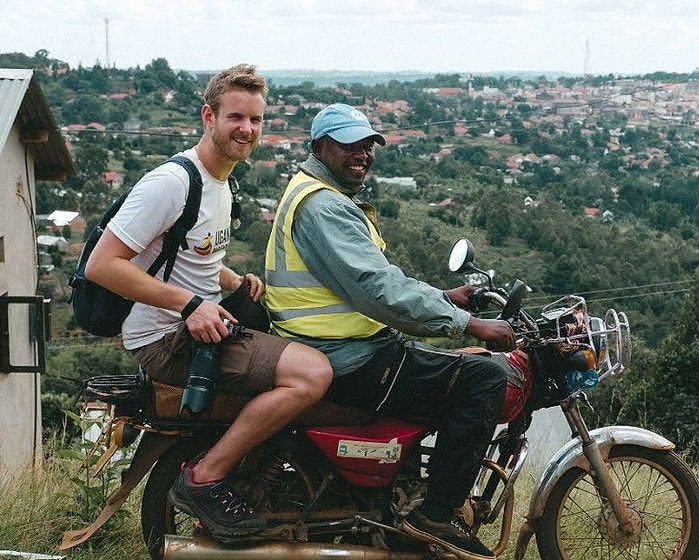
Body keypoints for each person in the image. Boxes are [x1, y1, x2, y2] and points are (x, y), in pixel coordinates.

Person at [85, 64, 334, 539]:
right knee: (312, 373)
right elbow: (103, 265)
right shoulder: (173, 183)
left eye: (255, 120)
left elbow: (187, 253)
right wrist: (188, 304)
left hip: (193, 324)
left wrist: (232, 279)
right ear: (209, 116)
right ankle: (204, 478)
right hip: (165, 339)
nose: (247, 129)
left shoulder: (220, 181)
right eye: (235, 117)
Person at [264, 103, 513, 560]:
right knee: (485, 379)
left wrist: (444, 298)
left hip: (335, 346)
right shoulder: (324, 206)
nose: (362, 154)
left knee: (446, 370)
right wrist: (469, 325)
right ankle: (437, 515)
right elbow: (378, 289)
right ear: (318, 146)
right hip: (347, 357)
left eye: (367, 145)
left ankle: (399, 496)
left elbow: (376, 281)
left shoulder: (316, 192)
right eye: (349, 145)